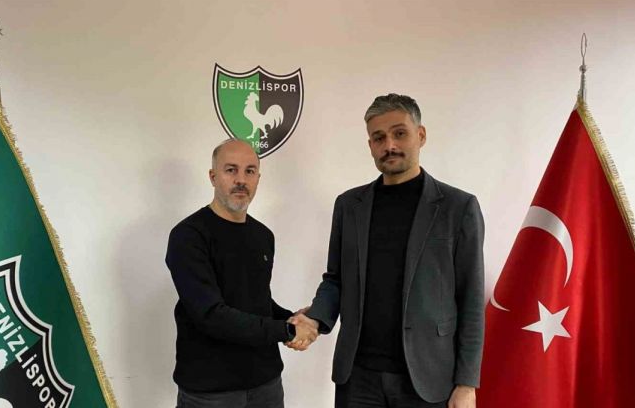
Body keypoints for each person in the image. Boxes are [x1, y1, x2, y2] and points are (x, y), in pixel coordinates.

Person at [291, 94, 485, 408]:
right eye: (379, 138)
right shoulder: (349, 206)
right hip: (358, 377)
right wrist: (315, 319)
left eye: (400, 133)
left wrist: (467, 384)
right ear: (370, 145)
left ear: (421, 135)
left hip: (428, 379)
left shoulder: (458, 207)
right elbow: (336, 279)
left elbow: (471, 299)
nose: (389, 145)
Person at [165, 139, 318, 408]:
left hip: (267, 385)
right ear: (213, 177)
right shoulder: (188, 236)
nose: (241, 180)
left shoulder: (263, 236)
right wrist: (286, 330)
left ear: (258, 178)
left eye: (249, 171)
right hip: (210, 392)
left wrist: (294, 318)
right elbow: (211, 315)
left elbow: (257, 302)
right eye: (231, 170)